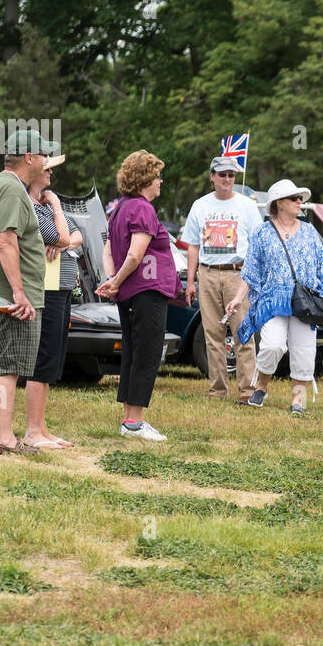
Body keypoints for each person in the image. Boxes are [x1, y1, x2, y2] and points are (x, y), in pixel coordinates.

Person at [225, 180, 323, 416]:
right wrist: (238, 298)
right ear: (278, 204)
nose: (300, 202)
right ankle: (262, 386)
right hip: (272, 302)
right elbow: (250, 271)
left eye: (300, 198)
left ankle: (298, 399)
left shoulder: (309, 231)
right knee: (272, 345)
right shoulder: (262, 233)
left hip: (304, 302)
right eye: (294, 199)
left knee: (304, 351)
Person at [0, 129, 57, 454]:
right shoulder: (10, 189)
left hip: (4, 294)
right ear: (29, 158)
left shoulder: (6, 185)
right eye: (44, 155)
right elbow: (6, 240)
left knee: (2, 366)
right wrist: (19, 292)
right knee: (7, 368)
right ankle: (3, 437)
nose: (47, 161)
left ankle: (0, 432)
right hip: (11, 298)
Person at [96, 150, 181, 441]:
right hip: (146, 290)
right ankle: (135, 423)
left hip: (129, 293)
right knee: (146, 353)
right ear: (146, 178)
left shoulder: (120, 207)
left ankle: (129, 420)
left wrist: (112, 281)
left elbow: (108, 250)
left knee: (133, 352)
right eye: (158, 176)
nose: (161, 182)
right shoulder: (143, 209)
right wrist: (117, 280)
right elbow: (134, 255)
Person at [181, 157, 262, 402]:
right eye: (222, 174)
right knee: (212, 334)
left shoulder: (247, 205)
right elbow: (193, 246)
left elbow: (257, 245)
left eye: (231, 175)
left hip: (238, 274)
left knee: (243, 333)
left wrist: (252, 277)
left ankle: (247, 391)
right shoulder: (200, 205)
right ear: (212, 176)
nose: (227, 179)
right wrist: (191, 281)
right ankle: (217, 390)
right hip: (207, 273)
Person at [24, 154, 81, 449]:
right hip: (44, 288)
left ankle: (41, 427)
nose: (50, 176)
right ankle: (32, 430)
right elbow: (61, 235)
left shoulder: (44, 207)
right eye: (46, 170)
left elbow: (76, 235)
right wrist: (57, 206)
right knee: (42, 357)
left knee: (52, 359)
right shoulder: (33, 207)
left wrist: (62, 242)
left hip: (60, 287)